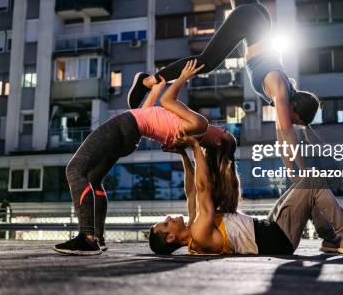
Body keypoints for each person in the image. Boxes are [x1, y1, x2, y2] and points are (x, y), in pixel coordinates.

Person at [128, 0, 318, 172]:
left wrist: (296, 170)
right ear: (296, 107)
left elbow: (283, 132)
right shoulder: (279, 88)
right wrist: (301, 174)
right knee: (207, 62)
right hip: (252, 23)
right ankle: (148, 79)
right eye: (296, 119)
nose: (290, 119)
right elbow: (286, 134)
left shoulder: (284, 89)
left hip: (259, 19)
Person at [54, 61, 238, 256]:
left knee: (75, 170)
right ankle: (97, 238)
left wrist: (184, 77)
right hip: (132, 134)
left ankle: (87, 238)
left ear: (217, 142)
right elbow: (145, 115)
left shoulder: (200, 124)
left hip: (125, 126)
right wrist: (156, 90)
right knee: (94, 180)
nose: (221, 127)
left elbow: (168, 101)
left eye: (224, 131)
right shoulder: (187, 137)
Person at [148, 135, 343, 257]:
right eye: (166, 222)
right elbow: (202, 189)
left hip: (268, 227)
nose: (169, 217)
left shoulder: (194, 229)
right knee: (313, 181)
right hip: (277, 239)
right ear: (170, 238)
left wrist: (182, 154)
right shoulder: (199, 233)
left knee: (305, 186)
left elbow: (191, 189)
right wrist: (193, 145)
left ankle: (330, 240)